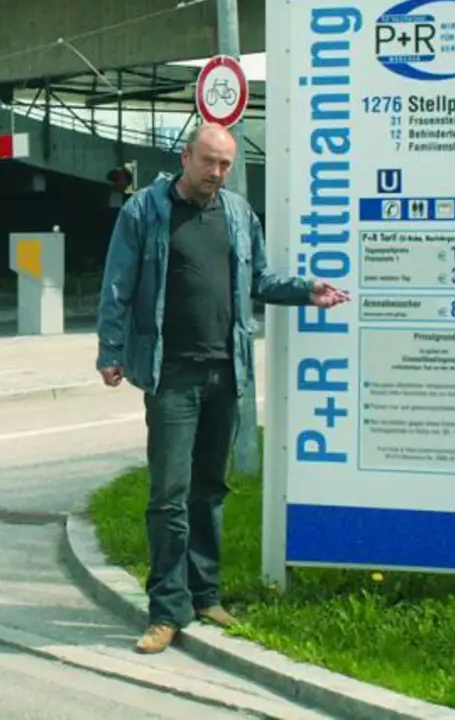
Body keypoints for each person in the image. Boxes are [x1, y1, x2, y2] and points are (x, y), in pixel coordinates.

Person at [95, 122, 350, 655]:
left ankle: (205, 594)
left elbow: (258, 279)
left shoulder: (237, 213)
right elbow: (117, 283)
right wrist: (111, 351)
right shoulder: (145, 210)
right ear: (186, 157)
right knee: (168, 495)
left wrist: (307, 291)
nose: (217, 173)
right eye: (209, 162)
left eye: (226, 165)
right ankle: (167, 610)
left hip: (225, 371)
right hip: (172, 376)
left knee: (209, 489)